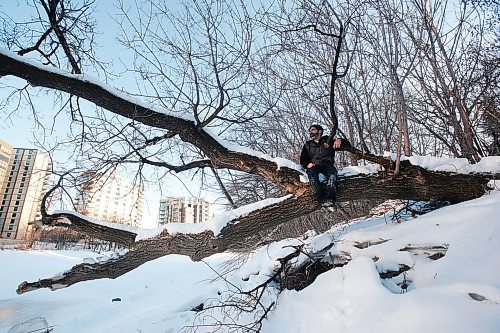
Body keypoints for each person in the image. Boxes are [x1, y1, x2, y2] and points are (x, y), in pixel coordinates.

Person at [300, 124, 343, 207]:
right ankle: (320, 200)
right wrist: (307, 164)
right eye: (310, 131)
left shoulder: (328, 140)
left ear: (319, 131)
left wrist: (340, 140)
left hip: (327, 164)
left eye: (313, 130)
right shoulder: (307, 145)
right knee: (312, 176)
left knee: (332, 174)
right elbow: (303, 160)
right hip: (314, 165)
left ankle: (330, 200)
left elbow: (344, 145)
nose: (310, 132)